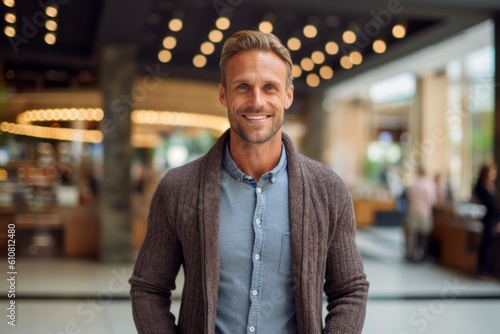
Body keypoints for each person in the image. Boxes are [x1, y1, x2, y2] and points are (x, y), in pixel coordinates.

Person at [129, 30, 369, 333]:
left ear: (288, 95)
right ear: (223, 94)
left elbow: (350, 290)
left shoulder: (327, 189)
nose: (257, 101)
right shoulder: (179, 188)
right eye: (243, 87)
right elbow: (148, 288)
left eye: (270, 87)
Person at [473, 163, 500, 279]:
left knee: (488, 245)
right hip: (489, 220)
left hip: (493, 219)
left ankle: (486, 270)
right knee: (486, 246)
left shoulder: (491, 187)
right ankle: (483, 270)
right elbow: (492, 206)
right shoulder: (482, 187)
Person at [404, 167, 437, 262]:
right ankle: (422, 253)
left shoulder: (412, 184)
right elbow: (432, 200)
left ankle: (411, 253)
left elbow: (407, 197)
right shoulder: (429, 185)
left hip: (412, 211)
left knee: (412, 235)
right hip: (424, 213)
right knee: (424, 235)